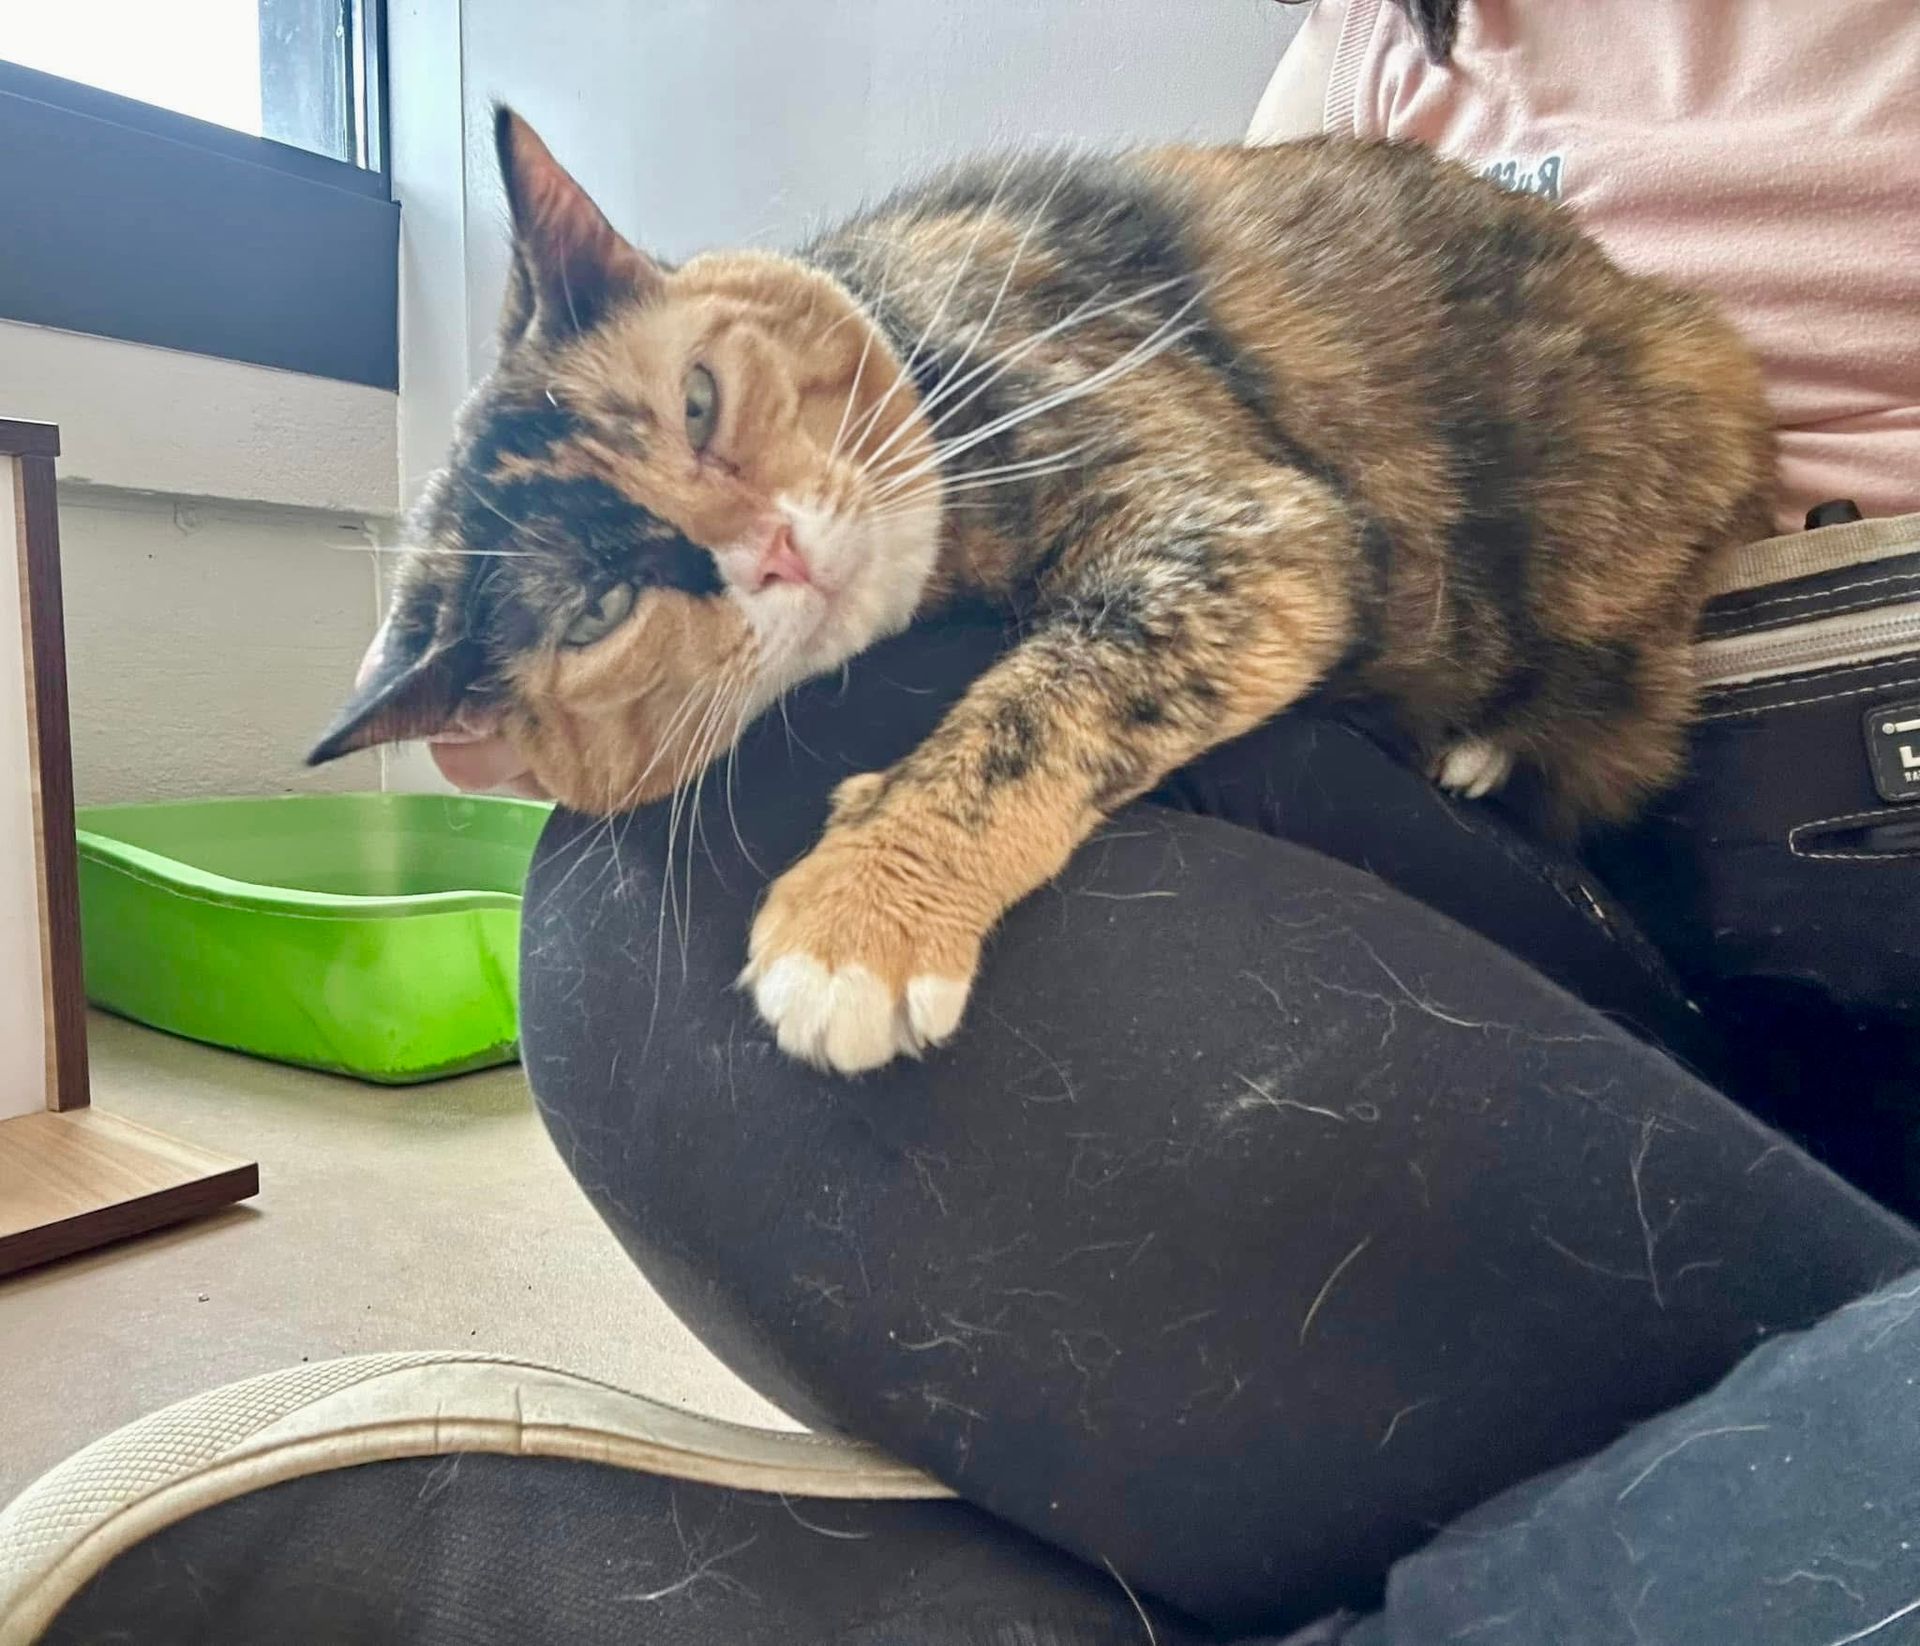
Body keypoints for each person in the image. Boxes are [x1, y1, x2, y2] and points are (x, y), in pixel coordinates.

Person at [39, 5, 1910, 1642]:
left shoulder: (975, 325)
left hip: (1821, 726)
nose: (768, 532)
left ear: (622, 257)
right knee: (645, 927)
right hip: (1521, 817)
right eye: (639, 589)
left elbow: (1252, 551)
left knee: (856, 881)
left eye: (709, 404)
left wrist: (937, 840)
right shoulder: (1380, 32)